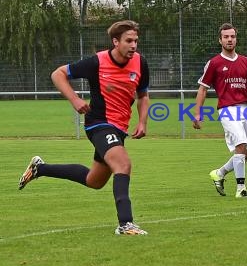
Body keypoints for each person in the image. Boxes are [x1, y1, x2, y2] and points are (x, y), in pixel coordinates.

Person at [18, 20, 150, 236]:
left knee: (94, 181)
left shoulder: (140, 63)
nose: (133, 45)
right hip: (99, 124)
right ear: (115, 42)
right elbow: (57, 74)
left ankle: (39, 168)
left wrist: (143, 121)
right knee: (123, 164)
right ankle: (126, 224)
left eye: (136, 40)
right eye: (128, 41)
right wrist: (75, 100)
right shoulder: (97, 62)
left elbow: (143, 96)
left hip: (119, 128)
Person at [192, 23, 247, 198]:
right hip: (227, 109)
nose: (230, 40)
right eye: (226, 37)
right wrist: (197, 113)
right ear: (220, 40)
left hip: (245, 109)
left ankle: (220, 173)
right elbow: (203, 89)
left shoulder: (245, 61)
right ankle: (241, 189)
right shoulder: (214, 63)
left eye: (232, 36)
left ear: (236, 38)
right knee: (241, 144)